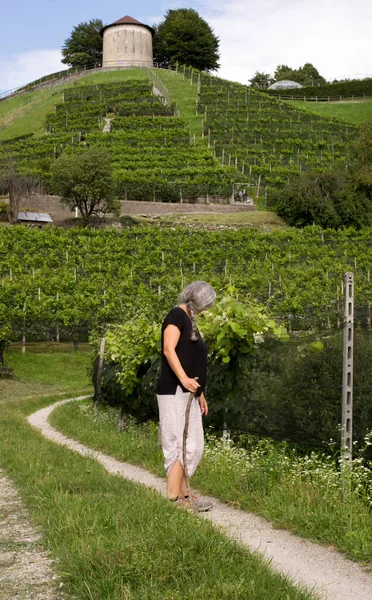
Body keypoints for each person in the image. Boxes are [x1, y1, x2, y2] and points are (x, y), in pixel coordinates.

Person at [156, 281, 216, 511]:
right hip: (174, 390)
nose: (206, 309)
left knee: (192, 444)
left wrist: (200, 393)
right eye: (206, 304)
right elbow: (169, 350)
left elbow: (194, 361)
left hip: (189, 393)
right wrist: (183, 379)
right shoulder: (176, 316)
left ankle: (184, 494)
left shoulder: (190, 321)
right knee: (178, 443)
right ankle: (175, 498)